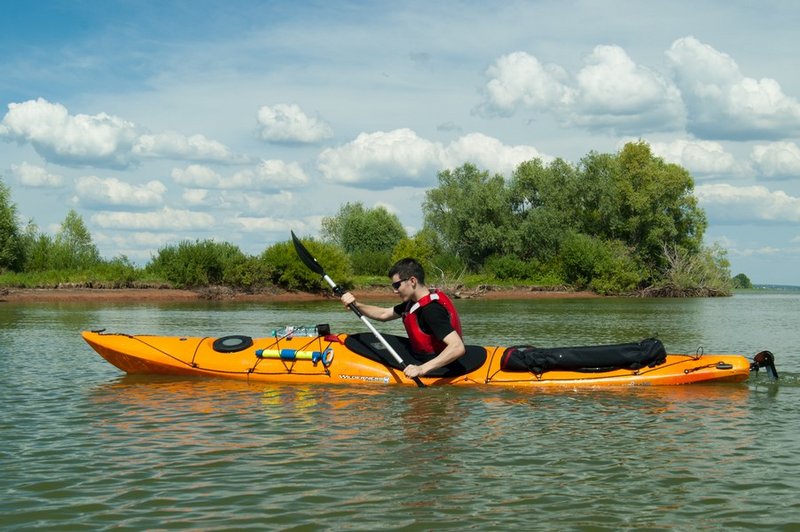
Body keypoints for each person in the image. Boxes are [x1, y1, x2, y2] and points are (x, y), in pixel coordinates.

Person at [340, 258, 466, 379]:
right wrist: (356, 305)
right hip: (420, 353)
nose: (395, 291)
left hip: (436, 362)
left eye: (397, 285)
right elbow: (384, 314)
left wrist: (421, 369)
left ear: (412, 281)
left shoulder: (431, 310)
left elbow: (457, 347)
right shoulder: (413, 303)